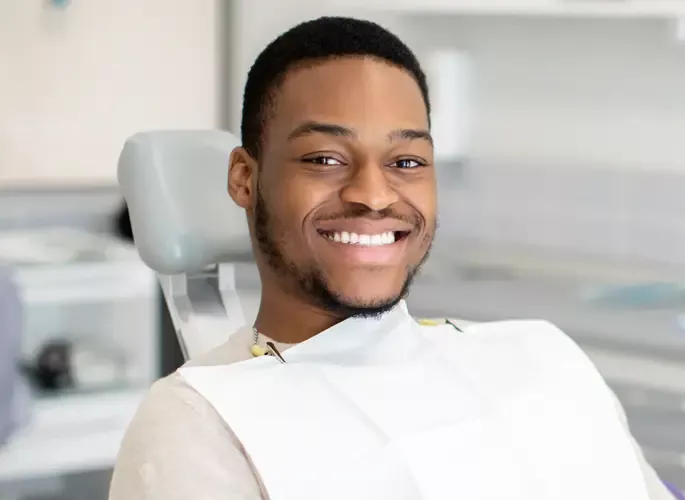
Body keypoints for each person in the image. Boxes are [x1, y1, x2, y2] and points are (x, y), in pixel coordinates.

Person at [109, 17, 677, 500]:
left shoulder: (539, 356)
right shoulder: (198, 425)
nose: (375, 195)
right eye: (325, 158)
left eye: (406, 162)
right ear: (244, 178)